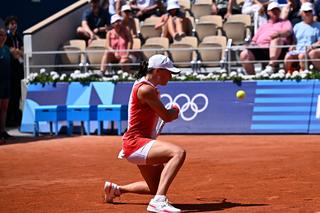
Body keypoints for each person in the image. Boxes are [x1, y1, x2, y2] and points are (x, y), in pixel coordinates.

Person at [103, 54, 186, 213]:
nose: (171, 76)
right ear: (157, 71)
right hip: (136, 144)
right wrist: (175, 109)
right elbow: (167, 116)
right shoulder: (146, 89)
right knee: (178, 153)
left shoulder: (146, 86)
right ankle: (158, 201)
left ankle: (116, 190)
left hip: (137, 143)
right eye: (169, 72)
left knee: (155, 186)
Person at [240, 2, 292, 75]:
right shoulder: (263, 26)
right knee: (244, 54)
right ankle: (252, 77)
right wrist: (250, 44)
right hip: (261, 49)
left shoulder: (285, 22)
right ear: (268, 12)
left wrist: (279, 34)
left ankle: (271, 65)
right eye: (273, 10)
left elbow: (288, 32)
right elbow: (254, 40)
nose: (275, 12)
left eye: (277, 10)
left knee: (276, 40)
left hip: (279, 49)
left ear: (280, 11)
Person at [284, 2, 320, 72]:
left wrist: (313, 46)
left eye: (309, 11)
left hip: (309, 50)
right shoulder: (297, 26)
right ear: (301, 13)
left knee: (302, 56)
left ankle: (304, 75)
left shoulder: (318, 25)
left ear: (313, 13)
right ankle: (284, 75)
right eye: (305, 11)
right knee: (288, 57)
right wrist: (292, 45)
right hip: (298, 49)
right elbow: (294, 41)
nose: (307, 13)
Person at [4, 16, 24, 127]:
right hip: (10, 69)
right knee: (10, 96)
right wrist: (15, 52)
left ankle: (15, 118)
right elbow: (11, 51)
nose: (14, 25)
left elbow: (21, 51)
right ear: (7, 25)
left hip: (18, 69)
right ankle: (8, 120)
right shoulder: (6, 37)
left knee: (17, 95)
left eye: (15, 23)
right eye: (12, 23)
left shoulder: (18, 37)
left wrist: (17, 52)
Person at [0, 26, 12, 143]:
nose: (2, 37)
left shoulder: (7, 49)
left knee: (4, 108)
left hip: (6, 83)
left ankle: (2, 131)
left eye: (4, 35)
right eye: (0, 35)